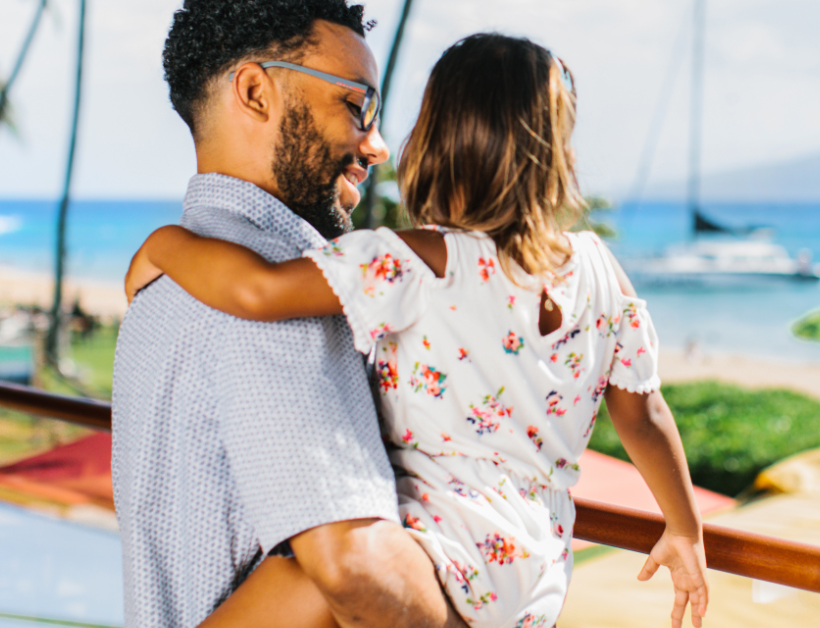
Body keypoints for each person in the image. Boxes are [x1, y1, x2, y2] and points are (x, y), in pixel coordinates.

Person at [125, 34, 710, 628]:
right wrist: (684, 529)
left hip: (438, 550)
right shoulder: (600, 270)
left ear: (434, 143)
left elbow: (257, 290)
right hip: (537, 571)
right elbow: (644, 416)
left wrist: (165, 245)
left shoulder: (416, 261)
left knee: (305, 567)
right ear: (558, 151)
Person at [113, 0, 463, 628]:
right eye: (356, 107)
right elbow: (355, 565)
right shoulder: (285, 296)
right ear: (255, 90)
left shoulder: (169, 281)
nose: (378, 146)